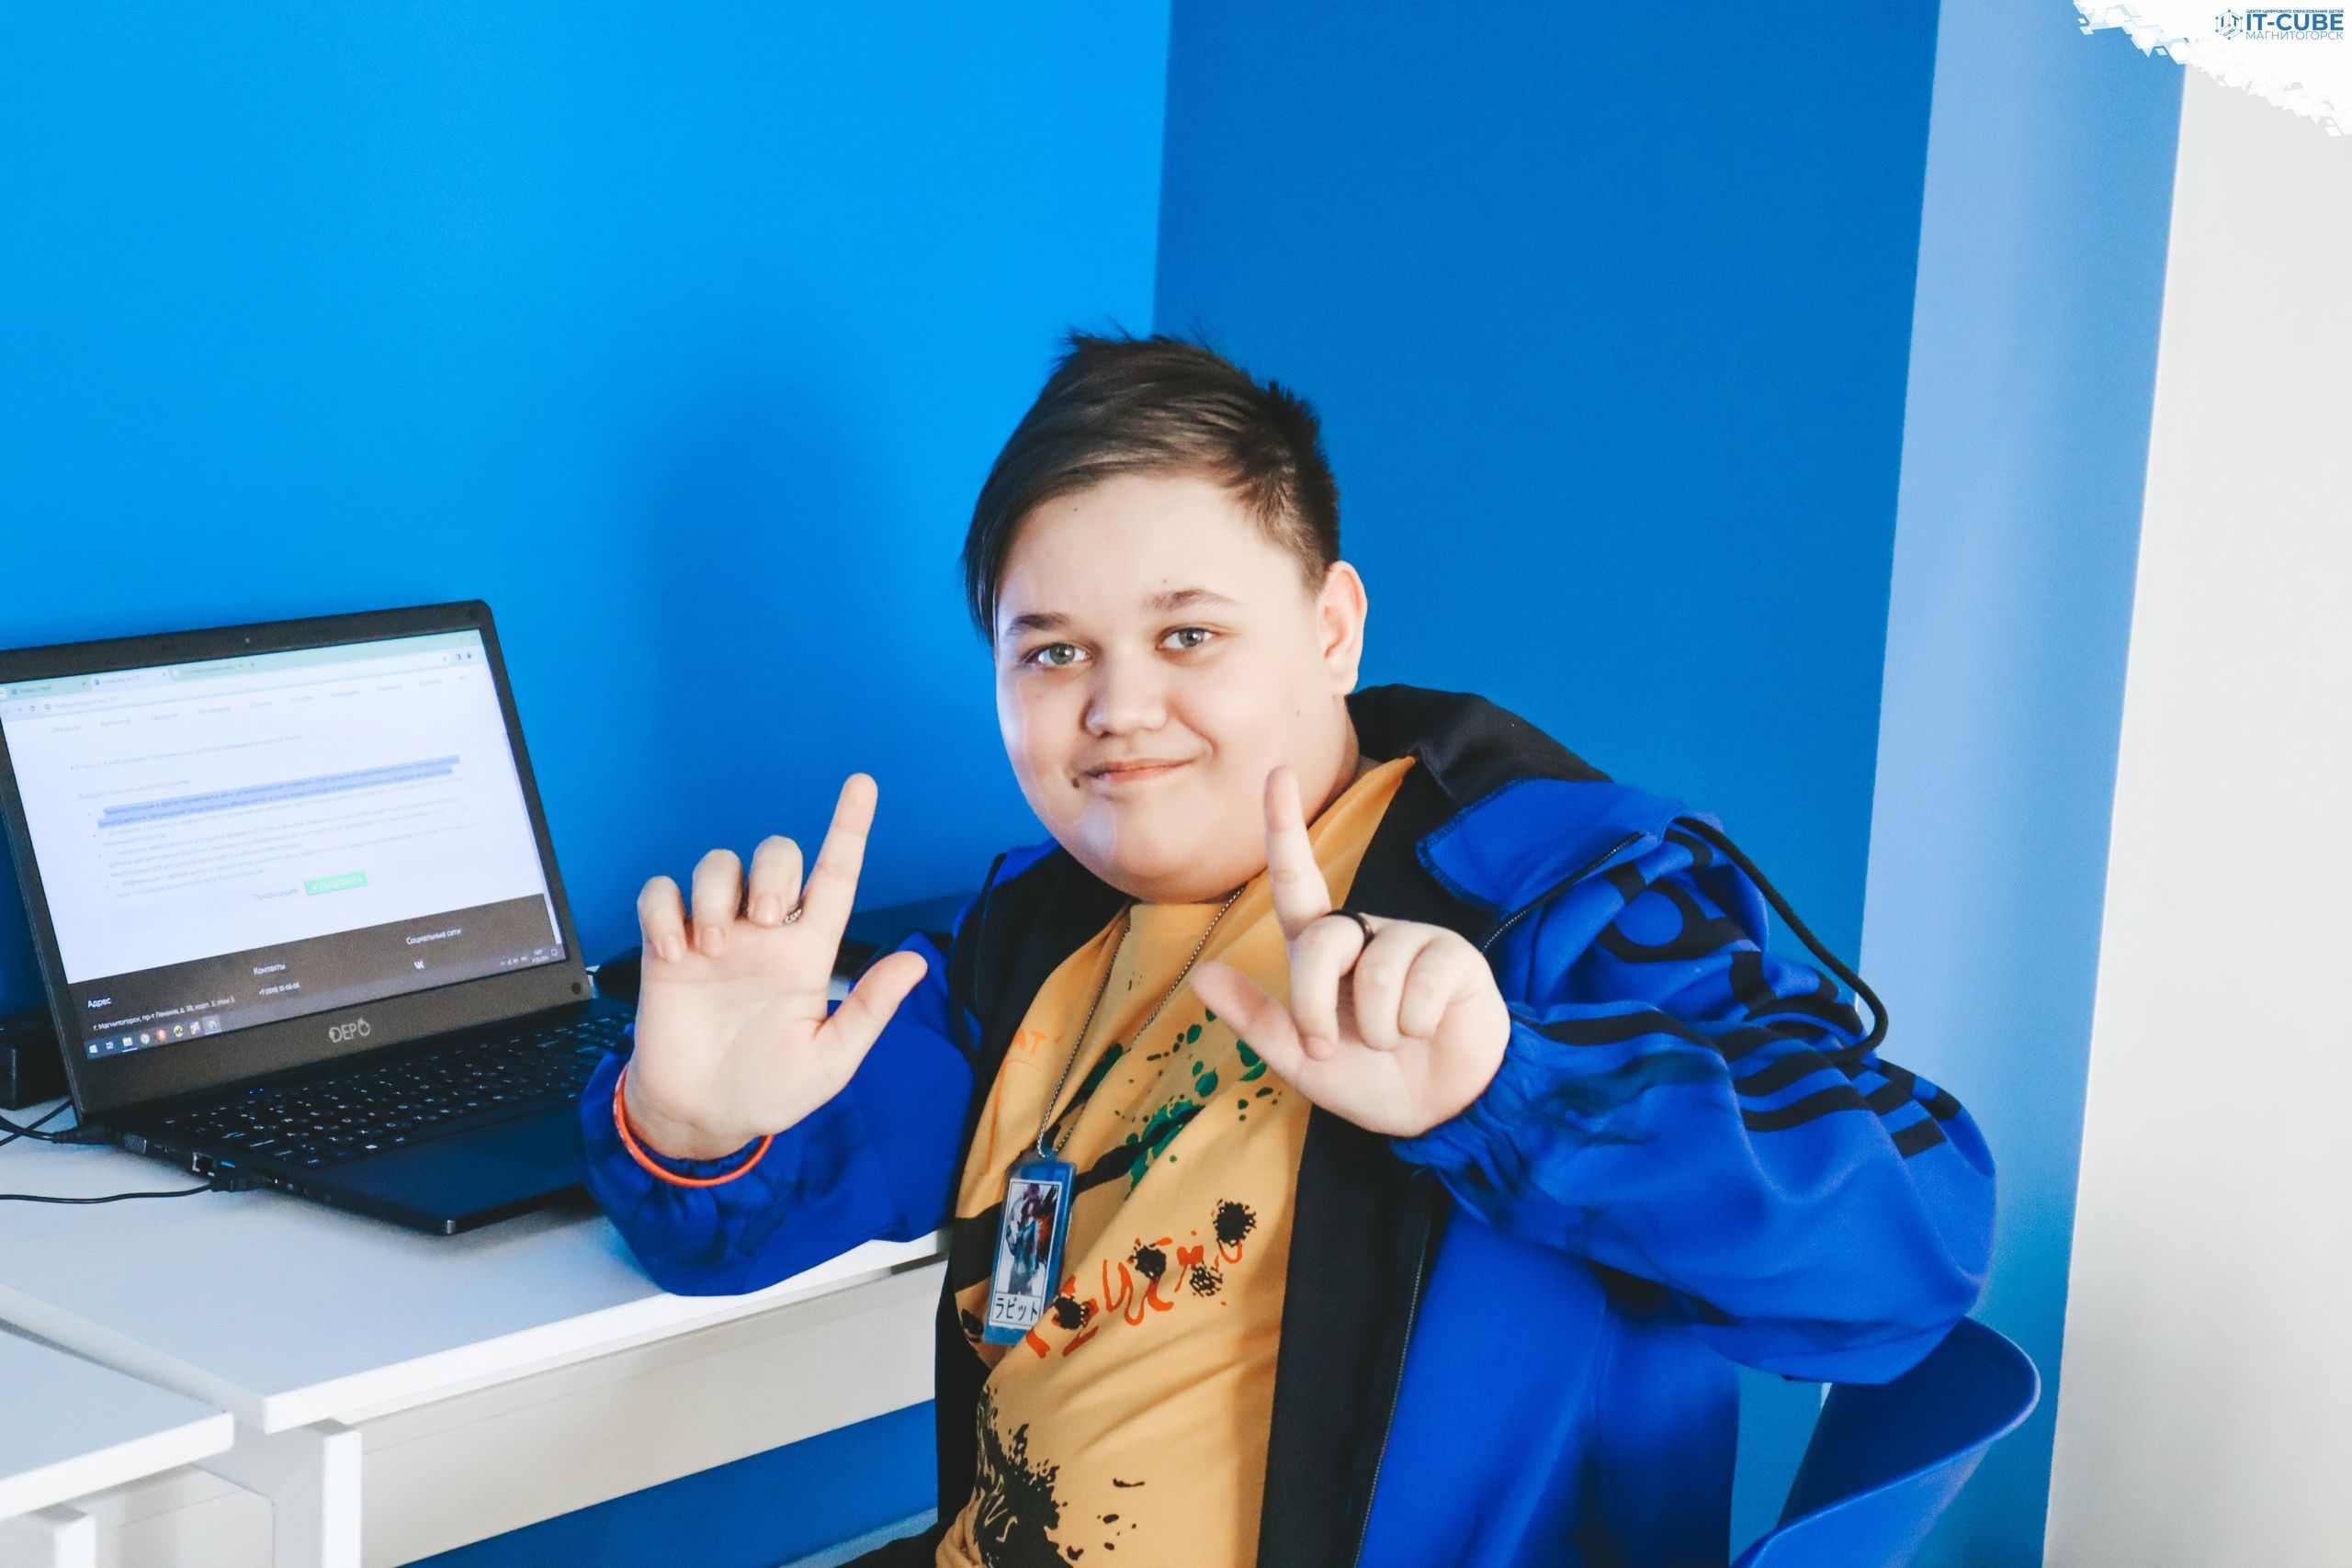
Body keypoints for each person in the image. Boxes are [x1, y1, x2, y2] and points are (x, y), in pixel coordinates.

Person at [581, 333, 1996, 1568]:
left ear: (1332, 629)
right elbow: (754, 1216)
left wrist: (1506, 1094)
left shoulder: (1568, 901)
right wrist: (695, 1128)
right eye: (1053, 653)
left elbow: (1915, 1257)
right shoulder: (1029, 934)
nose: (1119, 709)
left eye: (1189, 634)